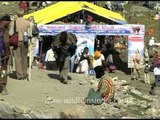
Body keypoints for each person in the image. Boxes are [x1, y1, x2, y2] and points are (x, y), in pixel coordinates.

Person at [9, 9, 31, 80]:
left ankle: (19, 75)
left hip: (16, 41)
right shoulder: (27, 22)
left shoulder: (13, 22)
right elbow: (30, 34)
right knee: (24, 57)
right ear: (23, 14)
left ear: (17, 14)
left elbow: (10, 33)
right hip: (25, 41)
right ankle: (24, 73)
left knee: (17, 58)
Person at [0, 15, 11, 95]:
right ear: (5, 21)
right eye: (9, 22)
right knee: (3, 70)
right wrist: (7, 52)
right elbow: (6, 41)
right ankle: (3, 89)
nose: (9, 23)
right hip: (2, 54)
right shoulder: (4, 30)